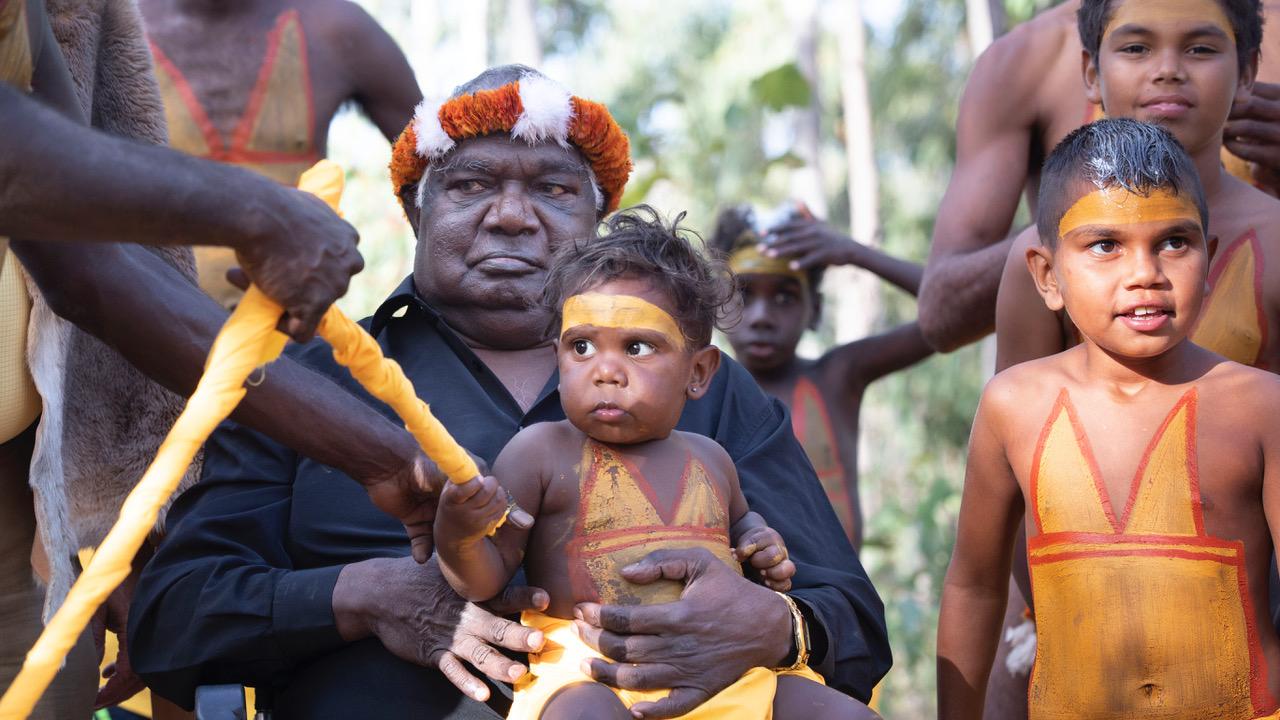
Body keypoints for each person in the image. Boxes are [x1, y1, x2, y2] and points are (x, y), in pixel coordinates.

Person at [129, 66, 891, 719]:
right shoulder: (305, 380)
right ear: (415, 209)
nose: (512, 215)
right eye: (471, 184)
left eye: (554, 188)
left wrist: (777, 626)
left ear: (598, 221)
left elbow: (851, 617)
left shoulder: (706, 390)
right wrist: (362, 595)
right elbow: (173, 619)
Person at [0, 1, 440, 715]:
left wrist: (382, 453)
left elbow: (91, 270)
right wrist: (256, 212)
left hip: (240, 400)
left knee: (64, 686)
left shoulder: (337, 31)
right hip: (101, 418)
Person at [433, 208, 875, 720]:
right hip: (586, 669)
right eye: (582, 346)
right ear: (559, 358)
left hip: (722, 667)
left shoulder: (712, 457)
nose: (605, 371)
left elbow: (739, 523)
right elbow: (485, 578)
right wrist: (457, 534)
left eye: (638, 347)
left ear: (699, 371)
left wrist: (760, 543)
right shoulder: (539, 453)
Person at [939, 117, 1280, 719]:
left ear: (1211, 256)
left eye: (1175, 241)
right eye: (1105, 245)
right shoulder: (1014, 405)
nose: (1144, 273)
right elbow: (974, 586)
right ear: (1048, 276)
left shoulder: (1260, 406)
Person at [918, 0, 1280, 354]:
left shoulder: (1271, 236)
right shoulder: (1031, 56)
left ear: (1246, 73)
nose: (1168, 69)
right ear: (1092, 74)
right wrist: (1064, 226)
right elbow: (1012, 402)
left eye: (1200, 49)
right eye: (1137, 48)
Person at [139, 0, 423, 307]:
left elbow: (438, 170)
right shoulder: (113, 25)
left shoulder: (335, 26)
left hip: (293, 327)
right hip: (142, 320)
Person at [710, 205, 932, 549]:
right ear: (718, 304)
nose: (761, 316)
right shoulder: (695, 392)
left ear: (815, 310)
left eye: (785, 297)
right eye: (743, 294)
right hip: (737, 601)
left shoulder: (837, 378)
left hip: (835, 602)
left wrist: (855, 253)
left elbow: (958, 313)